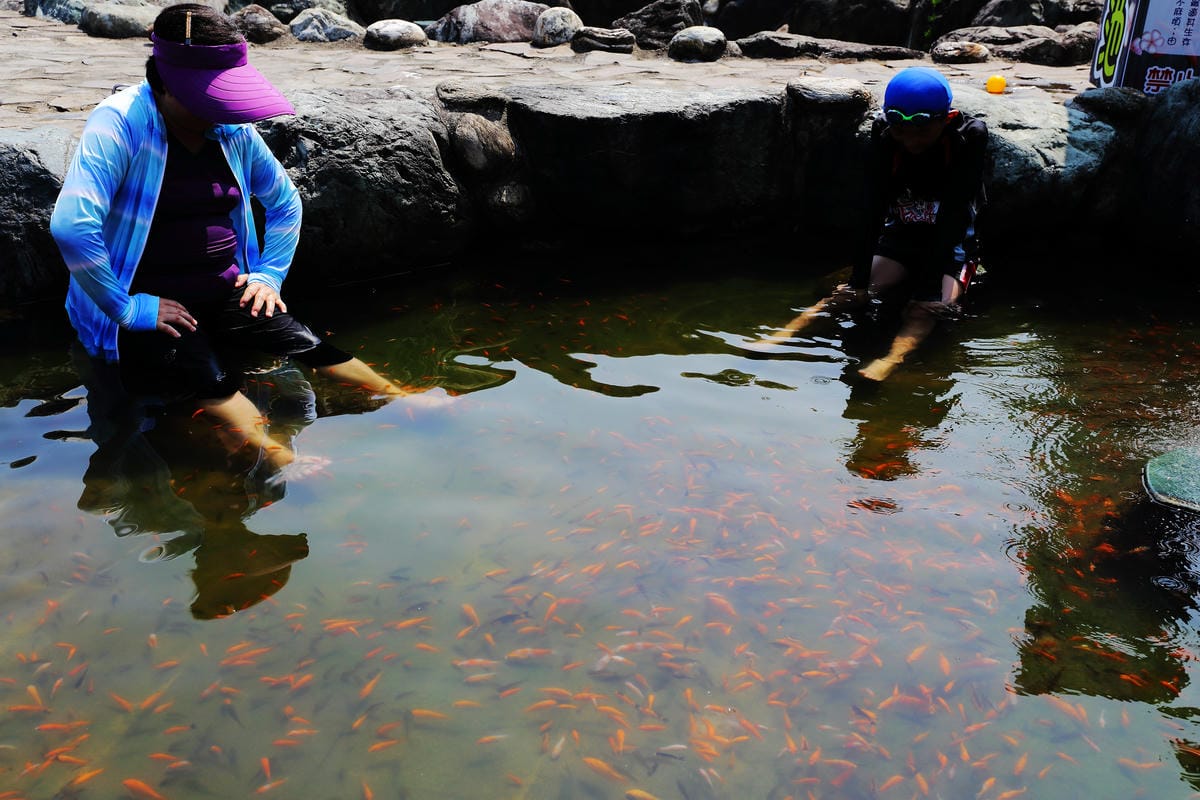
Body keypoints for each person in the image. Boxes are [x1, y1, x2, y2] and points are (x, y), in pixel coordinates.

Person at [50, 3, 436, 481]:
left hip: (225, 287)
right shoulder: (121, 124)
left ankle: (398, 395)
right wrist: (129, 309)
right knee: (203, 374)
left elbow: (285, 203)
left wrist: (270, 275)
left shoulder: (231, 130)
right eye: (205, 99)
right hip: (155, 302)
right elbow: (72, 226)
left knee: (302, 340)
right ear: (164, 83)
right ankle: (276, 451)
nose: (218, 112)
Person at [755, 67, 988, 382]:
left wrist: (929, 288)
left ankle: (890, 361)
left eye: (921, 132)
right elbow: (872, 208)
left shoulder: (968, 137)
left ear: (945, 120)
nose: (910, 142)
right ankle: (786, 332)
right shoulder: (883, 132)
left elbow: (956, 214)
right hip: (901, 237)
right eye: (901, 131)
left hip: (952, 244)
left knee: (926, 308)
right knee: (845, 295)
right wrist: (859, 281)